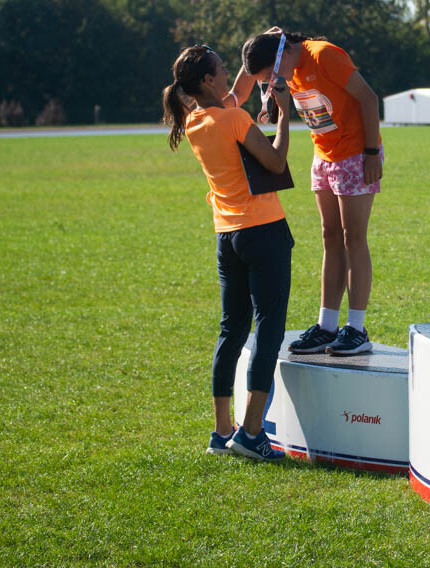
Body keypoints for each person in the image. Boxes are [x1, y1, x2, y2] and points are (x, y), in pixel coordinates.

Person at [162, 44, 293, 461]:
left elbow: (234, 94)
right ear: (205, 81)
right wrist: (286, 115)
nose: (226, 76)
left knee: (231, 330)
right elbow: (273, 163)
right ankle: (252, 433)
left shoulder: (195, 119)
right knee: (268, 328)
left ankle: (223, 432)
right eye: (220, 70)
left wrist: (252, 64)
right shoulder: (234, 118)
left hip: (227, 236)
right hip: (264, 231)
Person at [242, 27, 383, 357]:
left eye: (268, 75)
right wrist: (275, 101)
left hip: (355, 155)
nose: (270, 81)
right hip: (324, 157)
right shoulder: (287, 65)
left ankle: (357, 329)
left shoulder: (323, 55)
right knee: (329, 237)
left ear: (281, 56)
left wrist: (372, 152)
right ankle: (327, 326)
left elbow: (368, 98)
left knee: (353, 237)